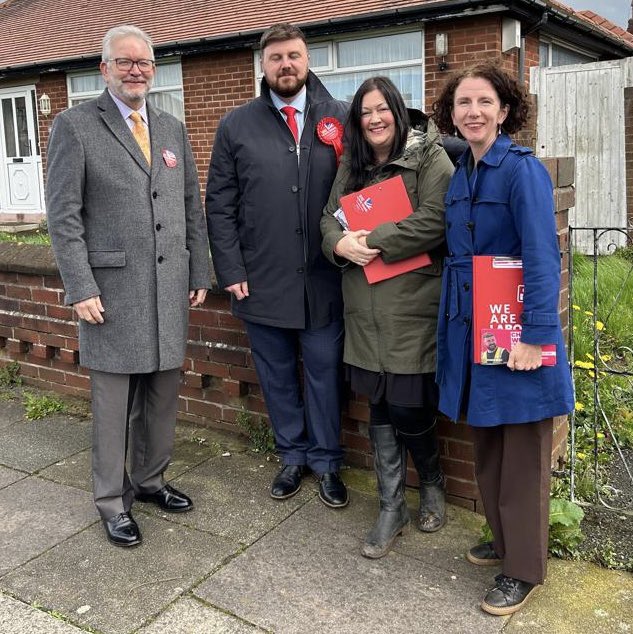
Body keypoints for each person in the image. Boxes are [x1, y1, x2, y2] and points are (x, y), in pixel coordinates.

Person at [46, 24, 211, 548]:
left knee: (161, 398)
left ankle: (151, 480)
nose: (136, 70)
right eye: (125, 61)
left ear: (153, 70)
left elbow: (190, 205)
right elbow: (64, 217)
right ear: (105, 68)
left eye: (144, 62)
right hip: (110, 294)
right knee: (114, 407)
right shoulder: (75, 126)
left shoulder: (171, 126)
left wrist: (198, 271)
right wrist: (80, 286)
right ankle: (112, 502)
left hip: (168, 288)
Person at [432, 64, 574, 615]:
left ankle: (523, 569)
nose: (473, 111)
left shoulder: (522, 172)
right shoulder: (462, 171)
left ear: (505, 110)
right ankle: (503, 538)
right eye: (463, 103)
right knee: (489, 444)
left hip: (517, 333)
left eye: (484, 102)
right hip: (475, 330)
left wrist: (536, 338)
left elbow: (543, 257)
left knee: (523, 456)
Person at [205, 23, 349, 508]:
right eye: (275, 58)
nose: (285, 65)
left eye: (294, 55)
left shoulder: (342, 118)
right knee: (277, 375)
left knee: (325, 374)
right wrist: (230, 270)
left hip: (326, 279)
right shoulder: (235, 126)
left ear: (308, 61)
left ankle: (328, 462)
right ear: (262, 66)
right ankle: (292, 455)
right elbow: (219, 205)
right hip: (260, 281)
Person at [321, 76, 454, 558]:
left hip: (410, 305)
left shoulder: (429, 157)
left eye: (383, 110)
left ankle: (434, 482)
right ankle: (390, 506)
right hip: (363, 306)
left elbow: (436, 220)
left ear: (398, 112)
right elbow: (328, 217)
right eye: (365, 113)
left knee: (409, 405)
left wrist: (372, 240)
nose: (375, 119)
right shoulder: (351, 164)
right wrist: (338, 243)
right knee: (378, 403)